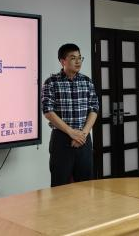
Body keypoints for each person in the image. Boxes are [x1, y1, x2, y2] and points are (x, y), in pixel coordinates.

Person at [42, 43, 99, 187]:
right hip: (61, 139)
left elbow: (94, 108)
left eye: (80, 58)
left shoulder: (87, 81)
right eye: (73, 58)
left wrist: (82, 134)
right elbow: (47, 110)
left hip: (84, 138)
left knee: (86, 187)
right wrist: (71, 132)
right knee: (60, 187)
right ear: (62, 61)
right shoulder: (51, 82)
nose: (78, 61)